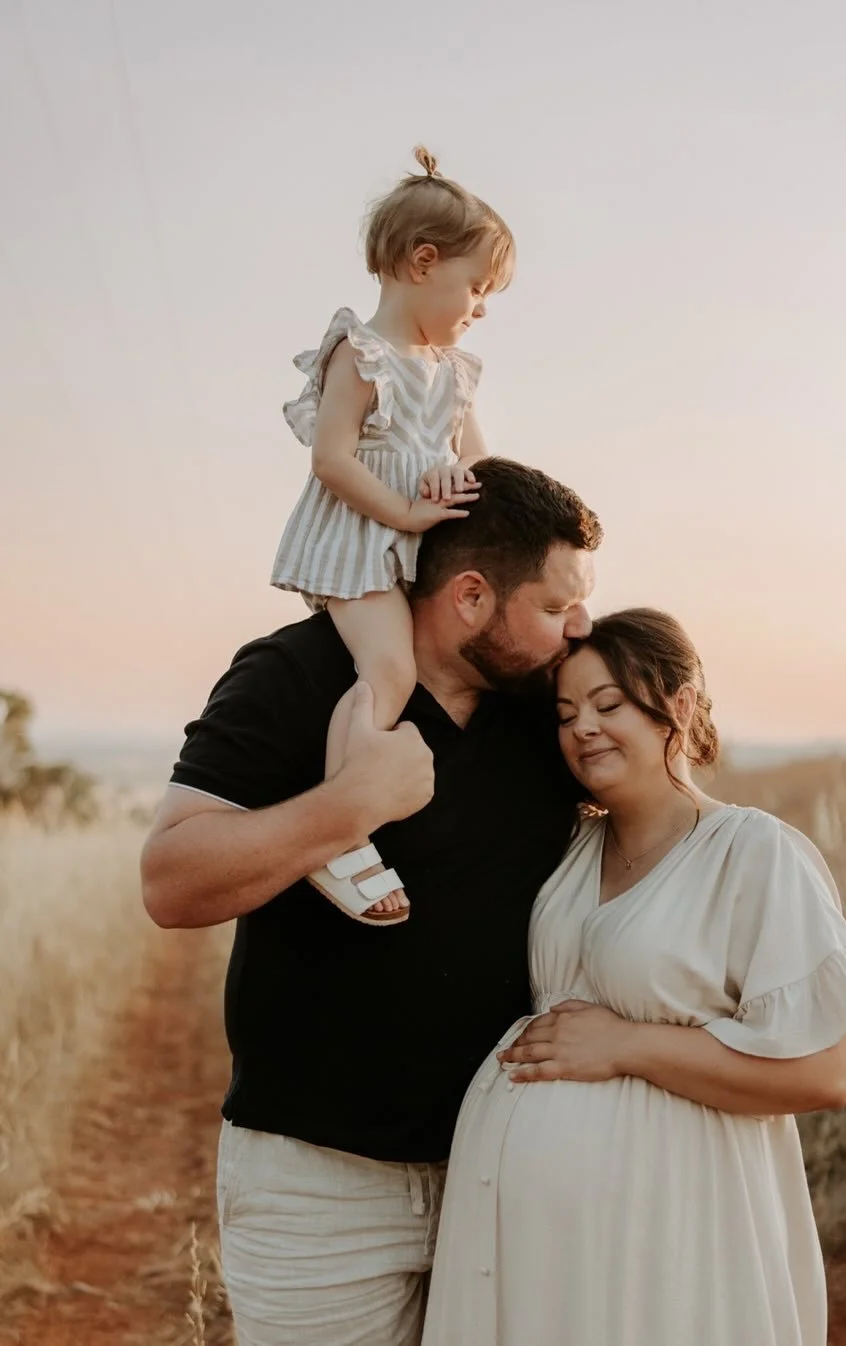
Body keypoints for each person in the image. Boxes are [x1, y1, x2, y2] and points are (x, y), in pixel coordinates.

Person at [140, 458, 601, 1346]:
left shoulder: (549, 710)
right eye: (553, 606)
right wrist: (350, 805)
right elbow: (171, 880)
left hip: (504, 1172)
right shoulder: (297, 673)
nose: (577, 627)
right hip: (320, 1184)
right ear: (470, 596)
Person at [421, 608, 846, 1346]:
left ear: (677, 707)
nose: (583, 727)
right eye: (566, 713)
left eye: (608, 704)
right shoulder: (567, 851)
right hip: (533, 1246)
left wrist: (627, 1046)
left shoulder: (751, 852)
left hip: (675, 1221)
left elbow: (830, 1071)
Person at [271, 145, 515, 925]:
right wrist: (408, 510)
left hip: (419, 543)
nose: (479, 307)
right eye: (475, 287)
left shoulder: (452, 371)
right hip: (363, 536)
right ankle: (340, 832)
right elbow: (332, 458)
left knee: (424, 673)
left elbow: (481, 466)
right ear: (421, 263)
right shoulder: (364, 353)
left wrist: (450, 480)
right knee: (389, 671)